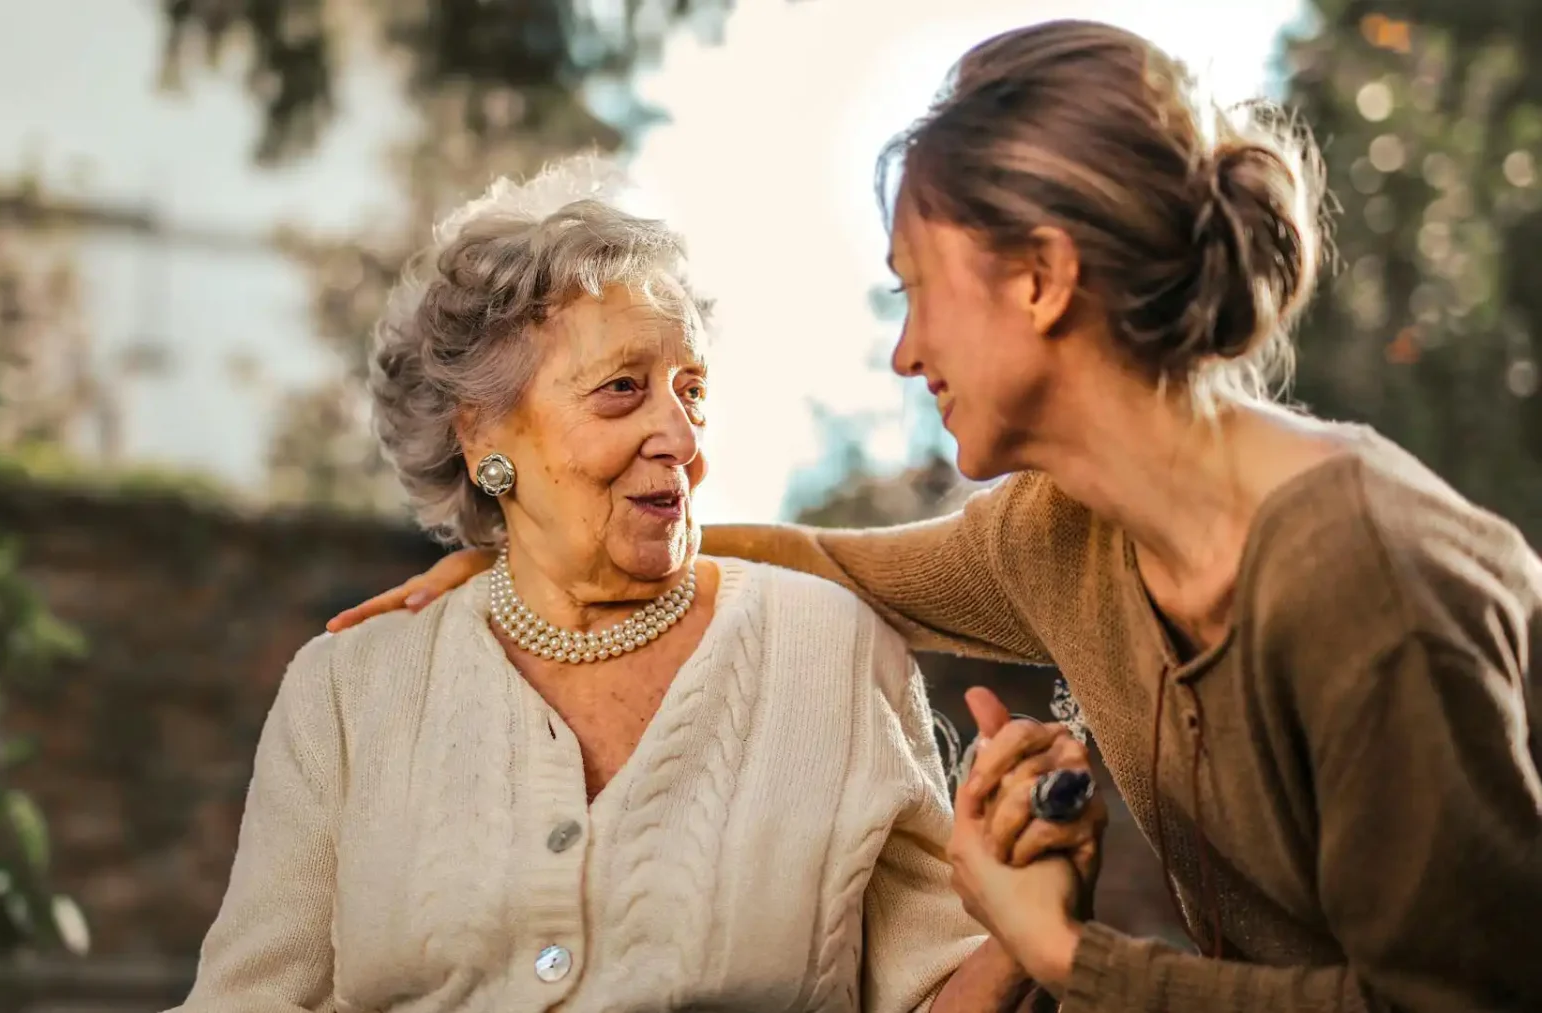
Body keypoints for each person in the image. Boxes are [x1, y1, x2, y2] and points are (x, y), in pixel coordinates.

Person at [327, 19, 1542, 1013]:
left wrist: (1069, 957)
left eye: (917, 292)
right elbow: (824, 562)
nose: (905, 352)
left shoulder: (1364, 579)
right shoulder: (1062, 534)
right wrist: (533, 556)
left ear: (1041, 277)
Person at [171, 158, 1092, 1013]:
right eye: (622, 389)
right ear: (484, 436)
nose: (683, 440)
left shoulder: (831, 652)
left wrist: (1018, 942)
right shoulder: (349, 689)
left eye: (691, 389)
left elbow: (933, 990)